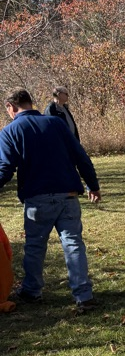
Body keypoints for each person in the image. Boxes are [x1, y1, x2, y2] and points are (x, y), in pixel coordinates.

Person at [0, 89, 101, 311]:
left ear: (11, 107)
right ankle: (84, 296)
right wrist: (93, 185)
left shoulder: (9, 131)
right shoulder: (56, 124)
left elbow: (5, 168)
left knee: (35, 246)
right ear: (30, 102)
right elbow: (81, 156)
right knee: (73, 244)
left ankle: (31, 291)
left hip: (37, 199)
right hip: (68, 195)